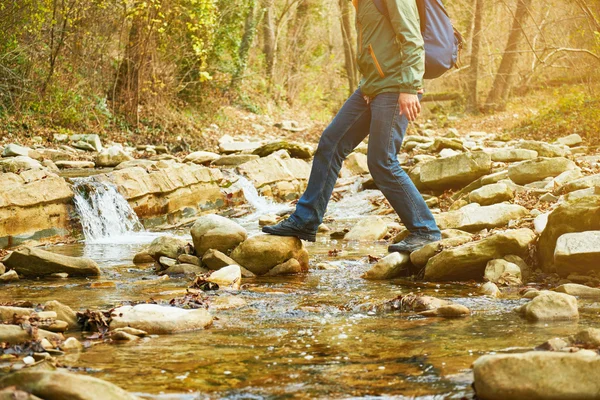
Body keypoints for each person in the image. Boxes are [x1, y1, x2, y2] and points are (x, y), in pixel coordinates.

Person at [263, 0, 441, 253]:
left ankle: (426, 231)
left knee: (382, 161)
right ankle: (305, 221)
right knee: (331, 142)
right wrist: (368, 83)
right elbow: (375, 46)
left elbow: (412, 38)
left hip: (396, 85)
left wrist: (409, 87)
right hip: (372, 86)